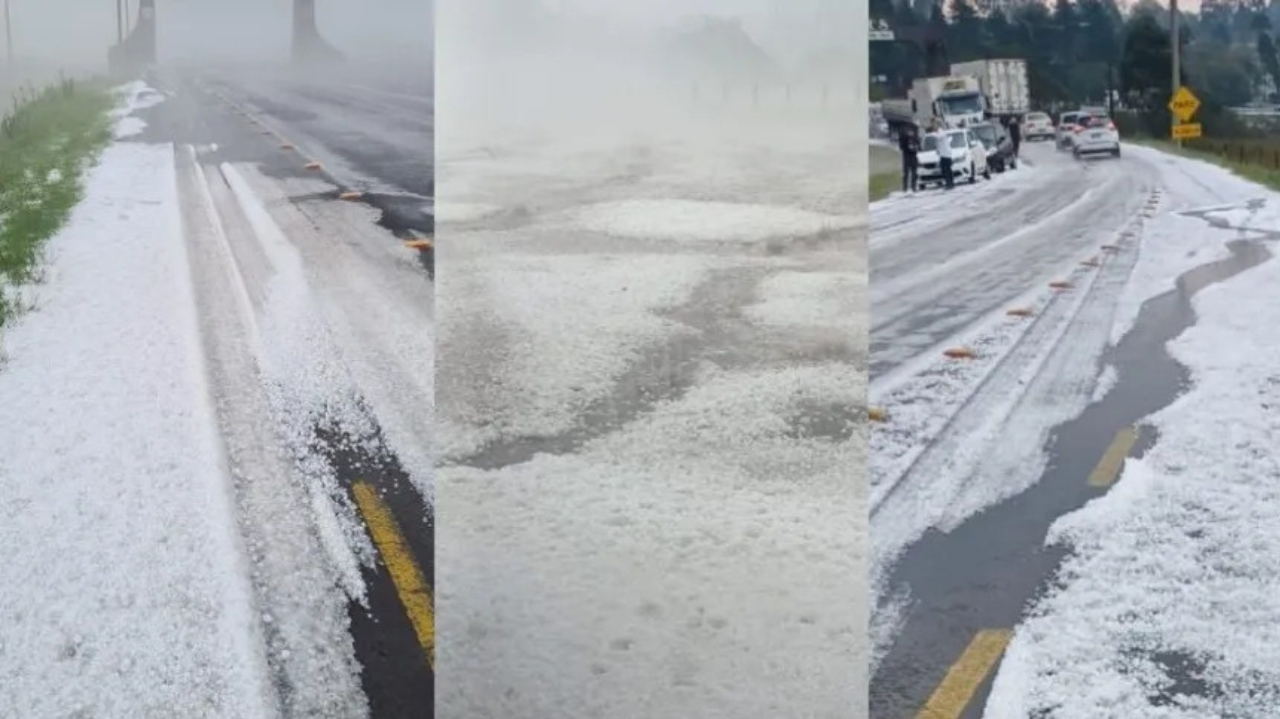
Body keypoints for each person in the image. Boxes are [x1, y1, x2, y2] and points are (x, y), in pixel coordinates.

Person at [898, 125, 919, 193]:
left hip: (912, 155)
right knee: (906, 172)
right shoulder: (904, 138)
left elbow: (918, 144)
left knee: (913, 172)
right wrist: (908, 147)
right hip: (907, 155)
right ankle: (906, 187)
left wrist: (915, 147)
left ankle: (912, 187)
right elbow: (901, 146)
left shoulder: (915, 137)